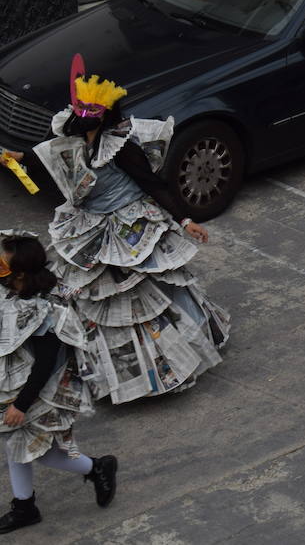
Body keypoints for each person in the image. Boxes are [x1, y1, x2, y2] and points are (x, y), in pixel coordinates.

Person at [31, 68, 229, 404]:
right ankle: (104, 374)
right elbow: (52, 162)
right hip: (90, 224)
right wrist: (18, 159)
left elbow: (153, 185)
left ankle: (173, 362)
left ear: (105, 116)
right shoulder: (73, 133)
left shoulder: (122, 147)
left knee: (153, 294)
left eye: (92, 118)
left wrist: (184, 220)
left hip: (129, 224)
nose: (85, 122)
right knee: (90, 296)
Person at [0, 231, 117, 534]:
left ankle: (96, 468)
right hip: (18, 383)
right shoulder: (17, 285)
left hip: (41, 391)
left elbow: (45, 363)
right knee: (18, 446)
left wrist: (21, 404)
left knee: (43, 451)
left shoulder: (45, 310)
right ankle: (24, 506)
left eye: (4, 266)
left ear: (21, 274)